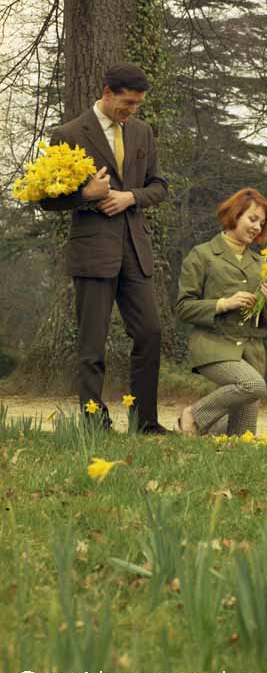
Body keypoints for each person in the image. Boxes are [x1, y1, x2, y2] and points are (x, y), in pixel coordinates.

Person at [41, 62, 169, 434]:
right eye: (127, 103)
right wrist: (86, 193)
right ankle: (95, 422)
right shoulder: (67, 134)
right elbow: (47, 200)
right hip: (93, 251)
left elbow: (159, 186)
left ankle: (145, 422)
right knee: (92, 343)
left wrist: (131, 196)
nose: (132, 110)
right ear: (107, 92)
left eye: (137, 104)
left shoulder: (142, 132)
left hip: (135, 250)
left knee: (150, 332)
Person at [174, 189, 267, 436]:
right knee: (253, 384)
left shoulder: (261, 264)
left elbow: (263, 321)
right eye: (252, 219)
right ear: (235, 214)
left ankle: (202, 430)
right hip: (214, 345)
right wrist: (223, 304)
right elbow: (183, 307)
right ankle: (192, 416)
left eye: (262, 223)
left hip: (251, 353)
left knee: (242, 437)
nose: (257, 227)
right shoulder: (202, 255)